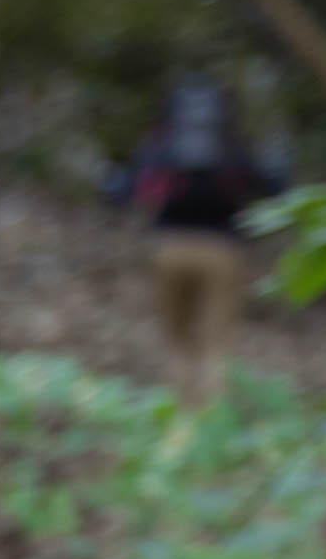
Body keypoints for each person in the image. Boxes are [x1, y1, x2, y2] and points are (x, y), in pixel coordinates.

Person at [120, 69, 283, 396]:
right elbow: (272, 186)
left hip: (169, 248)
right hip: (223, 251)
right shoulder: (232, 146)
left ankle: (176, 411)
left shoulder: (160, 144)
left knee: (175, 340)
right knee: (217, 344)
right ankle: (209, 413)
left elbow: (124, 189)